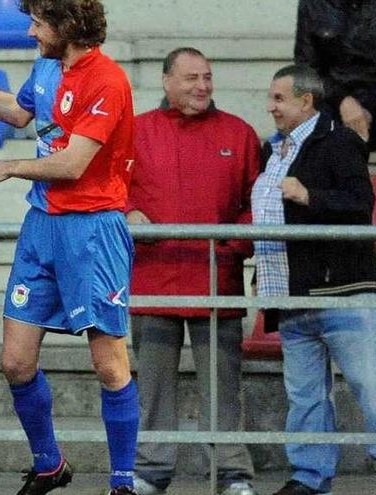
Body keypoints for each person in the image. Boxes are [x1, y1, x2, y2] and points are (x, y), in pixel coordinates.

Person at [0, 1, 139, 494]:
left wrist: (11, 167)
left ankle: (122, 482)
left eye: (39, 23)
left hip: (92, 228)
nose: (30, 31)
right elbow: (19, 110)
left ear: (66, 26)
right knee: (15, 361)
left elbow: (73, 165)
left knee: (109, 363)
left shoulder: (108, 81)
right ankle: (50, 464)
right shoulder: (49, 66)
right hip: (42, 225)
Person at [126, 47, 260, 495]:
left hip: (216, 279)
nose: (202, 86)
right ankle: (149, 471)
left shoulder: (239, 134)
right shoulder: (134, 132)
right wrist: (127, 213)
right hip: (152, 279)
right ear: (166, 81)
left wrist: (232, 244)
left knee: (223, 389)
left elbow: (253, 206)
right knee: (152, 390)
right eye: (191, 78)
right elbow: (109, 190)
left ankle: (232, 474)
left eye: (207, 77)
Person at [252, 64, 376, 495]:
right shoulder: (277, 149)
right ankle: (308, 478)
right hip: (289, 297)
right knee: (305, 396)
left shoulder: (338, 141)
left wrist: (309, 196)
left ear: (305, 100)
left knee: (374, 387)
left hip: (341, 293)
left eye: (279, 99)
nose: (270, 107)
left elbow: (361, 203)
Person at [294, 0, 376, 147]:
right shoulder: (313, 4)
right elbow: (307, 70)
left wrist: (370, 106)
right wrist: (343, 101)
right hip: (331, 100)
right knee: (311, 124)